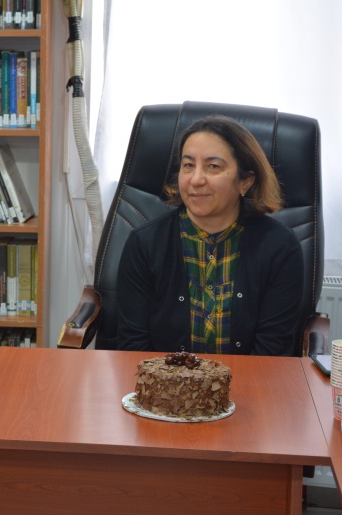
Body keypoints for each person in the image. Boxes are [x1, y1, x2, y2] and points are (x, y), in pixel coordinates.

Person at [116, 114, 303, 356]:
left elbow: (273, 351)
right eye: (188, 165)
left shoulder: (280, 247)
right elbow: (133, 347)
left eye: (213, 166)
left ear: (245, 182)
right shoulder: (144, 244)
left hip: (251, 379)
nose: (196, 180)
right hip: (163, 379)